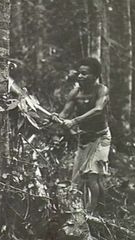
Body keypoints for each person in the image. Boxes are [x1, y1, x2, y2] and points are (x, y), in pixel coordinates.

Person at [52, 57, 111, 215]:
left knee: (92, 176)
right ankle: (78, 212)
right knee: (77, 180)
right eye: (79, 73)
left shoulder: (101, 90)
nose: (80, 76)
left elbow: (98, 109)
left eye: (84, 74)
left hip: (101, 138)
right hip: (84, 139)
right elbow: (65, 113)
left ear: (95, 75)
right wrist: (58, 119)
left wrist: (75, 121)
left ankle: (92, 213)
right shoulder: (76, 92)